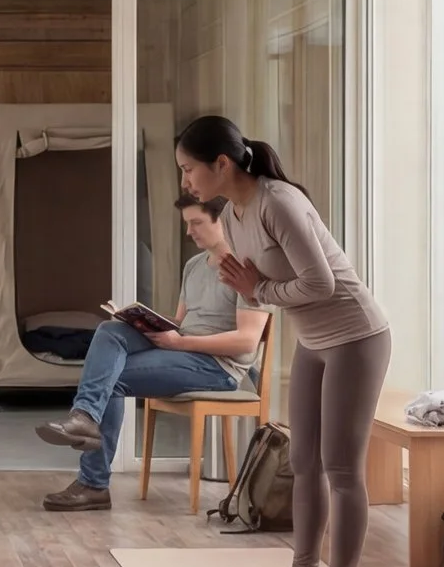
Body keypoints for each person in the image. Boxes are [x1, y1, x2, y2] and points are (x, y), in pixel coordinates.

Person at [174, 114, 390, 567]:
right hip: (315, 343)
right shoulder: (235, 211)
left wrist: (258, 290)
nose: (185, 182)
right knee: (303, 459)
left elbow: (320, 284)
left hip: (355, 338)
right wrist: (250, 287)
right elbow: (257, 284)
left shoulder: (279, 203)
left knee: (341, 470)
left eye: (188, 169)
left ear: (221, 164)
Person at [36, 193, 270, 512]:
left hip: (218, 368)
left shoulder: (249, 270)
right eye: (187, 224)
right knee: (110, 331)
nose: (189, 232)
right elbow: (182, 322)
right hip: (184, 352)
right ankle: (85, 418)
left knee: (110, 378)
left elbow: (246, 342)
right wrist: (146, 322)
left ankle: (92, 482)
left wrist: (180, 342)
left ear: (223, 219)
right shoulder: (194, 266)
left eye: (196, 223)